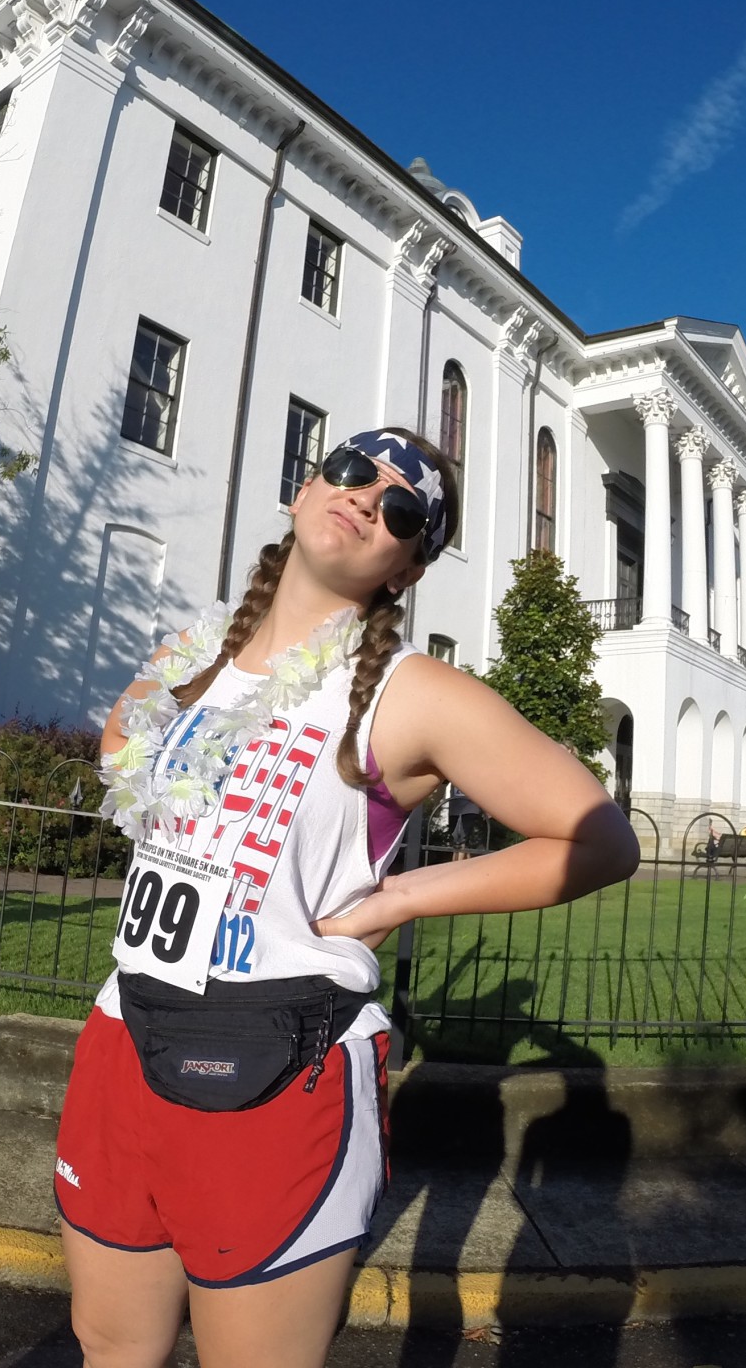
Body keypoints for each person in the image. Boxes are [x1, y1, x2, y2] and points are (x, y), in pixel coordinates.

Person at [57, 427, 639, 1368]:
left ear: (404, 569)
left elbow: (599, 839)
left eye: (403, 509)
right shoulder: (188, 661)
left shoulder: (414, 695)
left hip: (277, 1060)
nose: (370, 496)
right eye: (353, 470)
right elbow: (121, 754)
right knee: (110, 1349)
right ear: (302, 491)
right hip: (123, 1029)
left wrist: (401, 896)